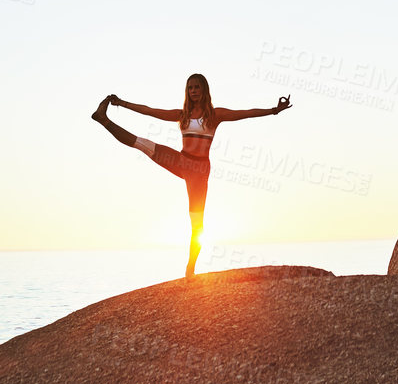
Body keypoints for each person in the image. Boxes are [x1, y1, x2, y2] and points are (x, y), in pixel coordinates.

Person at [92, 73, 292, 277]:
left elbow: (245, 113)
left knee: (197, 223)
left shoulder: (216, 115)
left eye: (197, 87)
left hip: (199, 172)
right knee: (142, 144)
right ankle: (103, 119)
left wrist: (274, 110)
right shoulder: (182, 115)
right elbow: (150, 111)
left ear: (204, 90)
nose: (194, 91)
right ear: (187, 91)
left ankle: (190, 268)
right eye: (190, 88)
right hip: (180, 161)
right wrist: (121, 103)